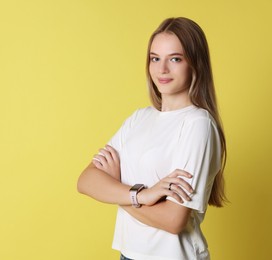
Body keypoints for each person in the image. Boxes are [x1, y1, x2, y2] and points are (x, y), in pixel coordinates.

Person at [77, 17, 227, 260]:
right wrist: (142, 195)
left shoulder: (197, 125)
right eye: (155, 58)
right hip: (128, 254)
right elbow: (85, 181)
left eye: (175, 59)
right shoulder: (139, 118)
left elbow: (173, 220)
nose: (162, 69)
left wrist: (118, 190)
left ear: (195, 64)